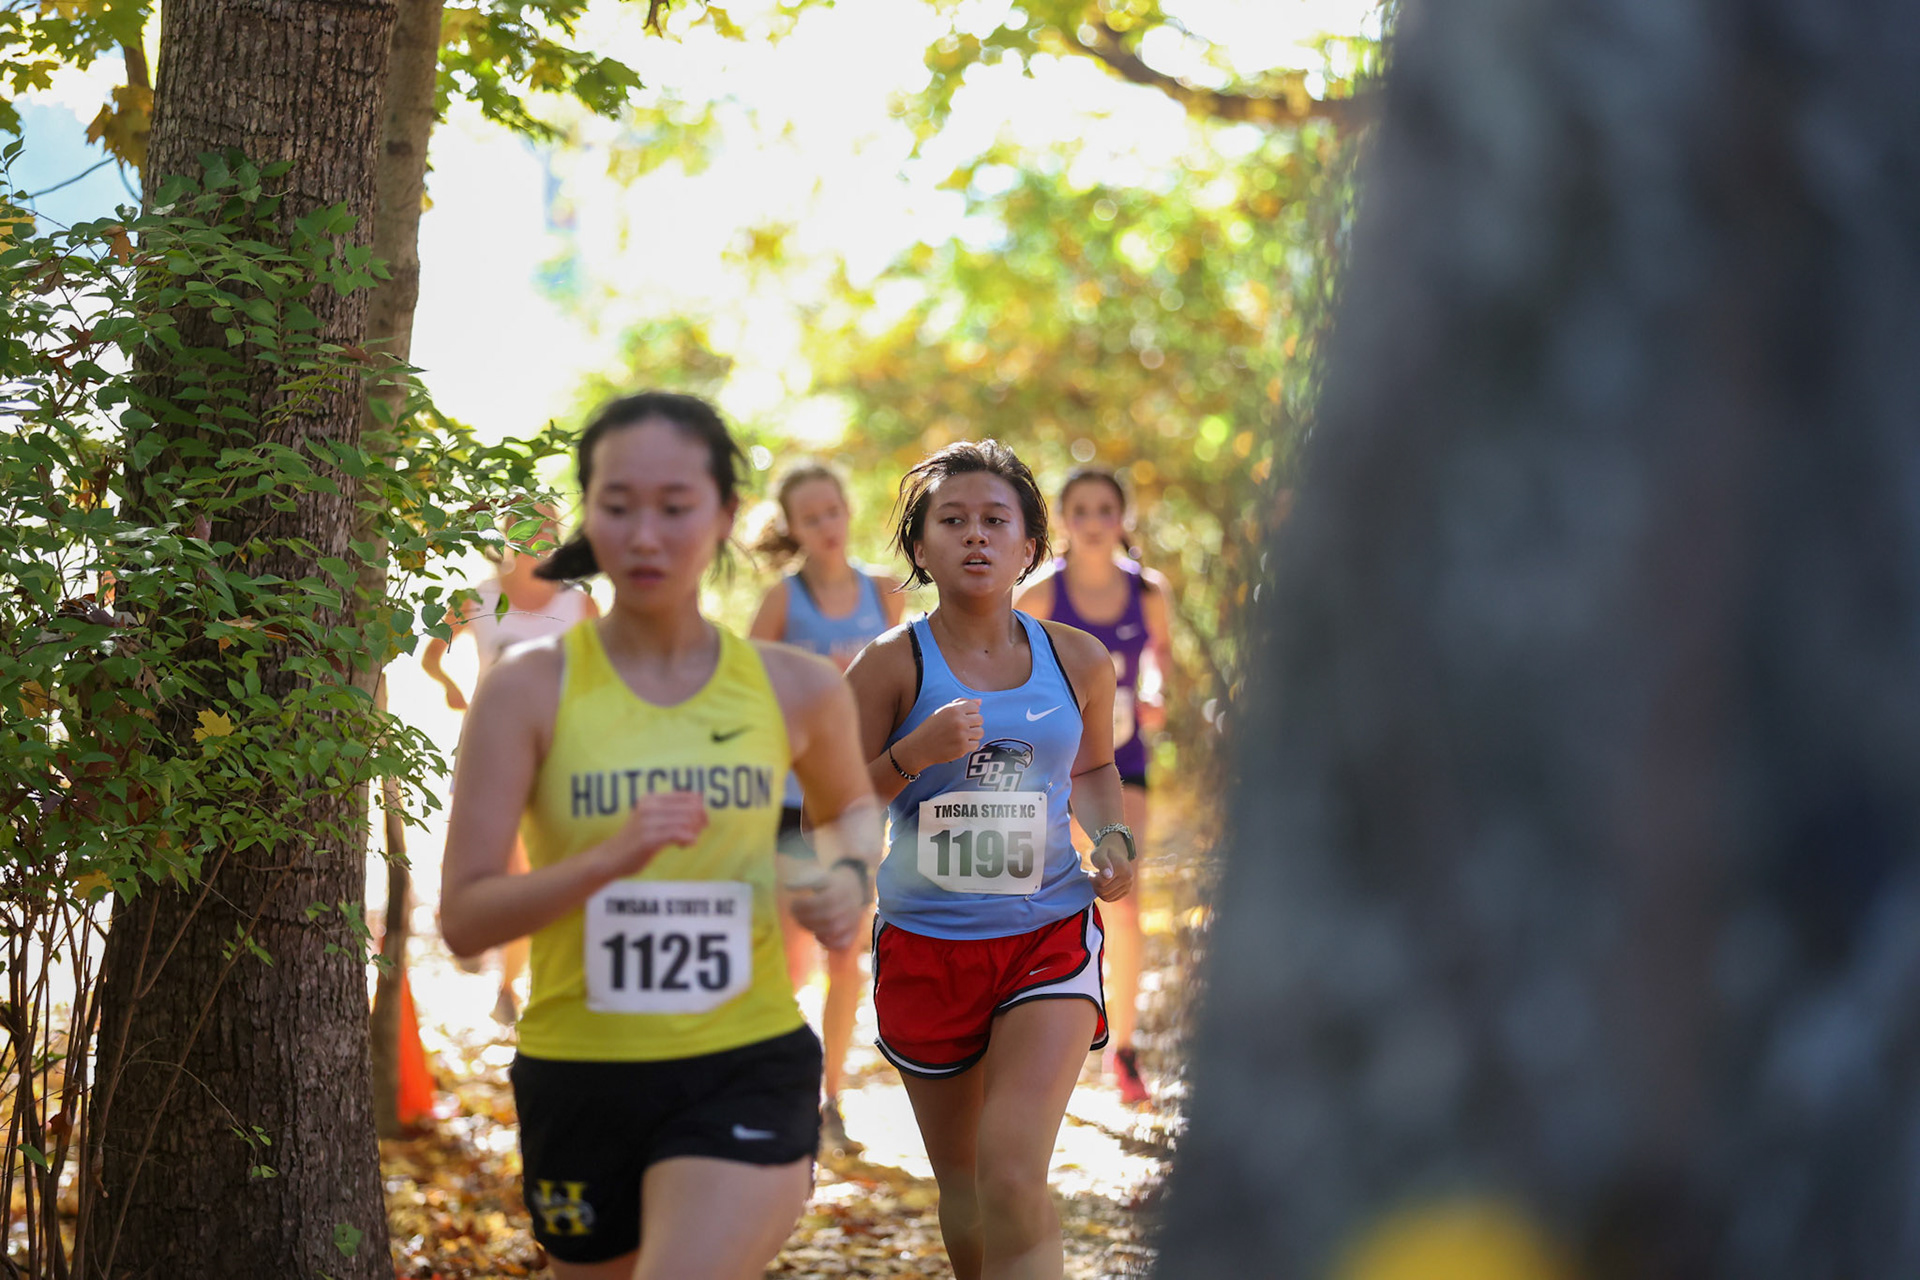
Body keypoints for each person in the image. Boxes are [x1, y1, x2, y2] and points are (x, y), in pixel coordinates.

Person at [438, 392, 880, 1280]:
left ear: (722, 515)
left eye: (675, 507)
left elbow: (850, 817)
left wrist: (840, 876)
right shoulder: (527, 690)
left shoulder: (796, 688)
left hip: (744, 1061)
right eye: (618, 504)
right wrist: (613, 857)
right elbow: (466, 920)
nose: (645, 534)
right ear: (588, 516)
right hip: (579, 1071)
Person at [845, 440, 1135, 1280]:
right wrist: (914, 754)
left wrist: (1111, 838)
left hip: (1049, 931)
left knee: (1011, 1176)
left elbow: (1093, 771)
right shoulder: (891, 665)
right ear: (923, 547)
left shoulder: (1077, 659)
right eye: (954, 520)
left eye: (995, 521)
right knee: (970, 1193)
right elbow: (831, 807)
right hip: (926, 947)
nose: (976, 536)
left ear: (1028, 547)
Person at [746, 460, 904, 1155]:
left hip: (856, 802)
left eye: (833, 512)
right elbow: (741, 694)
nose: (826, 527)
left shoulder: (881, 592)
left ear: (848, 510)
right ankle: (782, 1090)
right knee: (792, 961)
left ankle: (830, 1097)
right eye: (810, 518)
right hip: (787, 804)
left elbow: (904, 688)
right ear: (793, 529)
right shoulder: (785, 600)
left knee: (848, 956)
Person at [1014, 468, 1173, 1105]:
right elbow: (1005, 657)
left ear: (1121, 518)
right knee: (1055, 894)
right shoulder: (1044, 594)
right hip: (1054, 764)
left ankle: (1124, 1049)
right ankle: (1047, 1041)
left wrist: (1157, 692)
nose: (1093, 521)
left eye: (1105, 508)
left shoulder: (1149, 591)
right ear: (1064, 520)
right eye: (1079, 509)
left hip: (1124, 759)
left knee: (1124, 894)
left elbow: (1161, 657)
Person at [421, 502, 598, 1023]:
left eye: (550, 527)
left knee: (536, 868)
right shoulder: (479, 597)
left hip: (560, 754)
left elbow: (608, 672)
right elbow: (432, 654)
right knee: (507, 866)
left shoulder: (578, 604)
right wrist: (452, 689)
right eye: (528, 526)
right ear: (506, 533)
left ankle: (514, 986)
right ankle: (500, 969)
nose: (540, 535)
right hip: (490, 750)